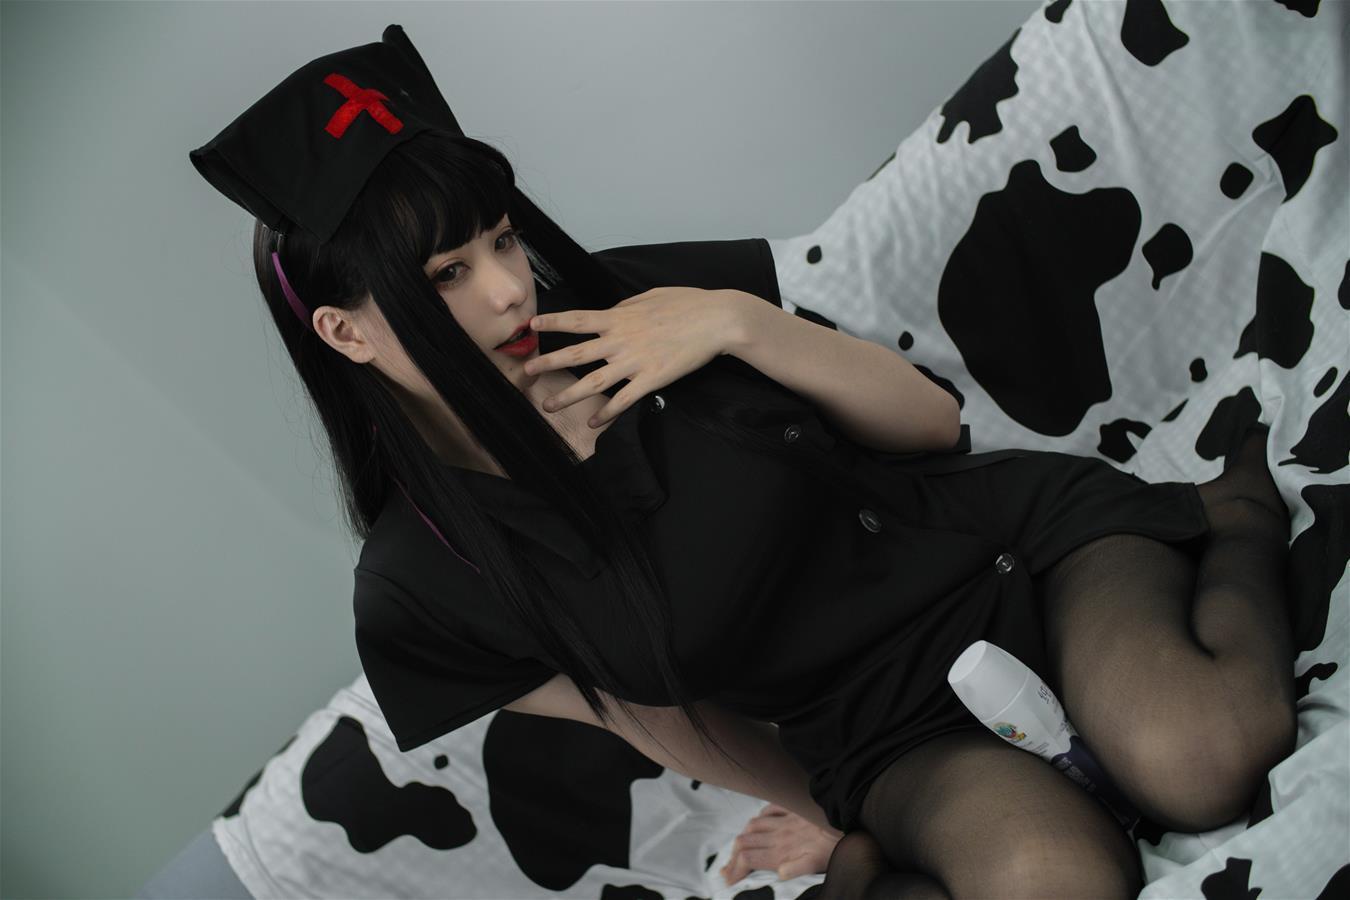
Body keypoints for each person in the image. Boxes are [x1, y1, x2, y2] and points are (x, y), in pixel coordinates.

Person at [189, 24, 1298, 899]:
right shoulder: (419, 587)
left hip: (1004, 555)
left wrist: (737, 321)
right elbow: (672, 723)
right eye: (448, 275)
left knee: (1204, 761)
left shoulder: (629, 298)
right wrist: (837, 817)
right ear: (345, 332)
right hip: (880, 724)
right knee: (1055, 881)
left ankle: (1234, 517)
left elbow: (932, 426)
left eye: (502, 238)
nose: (510, 288)